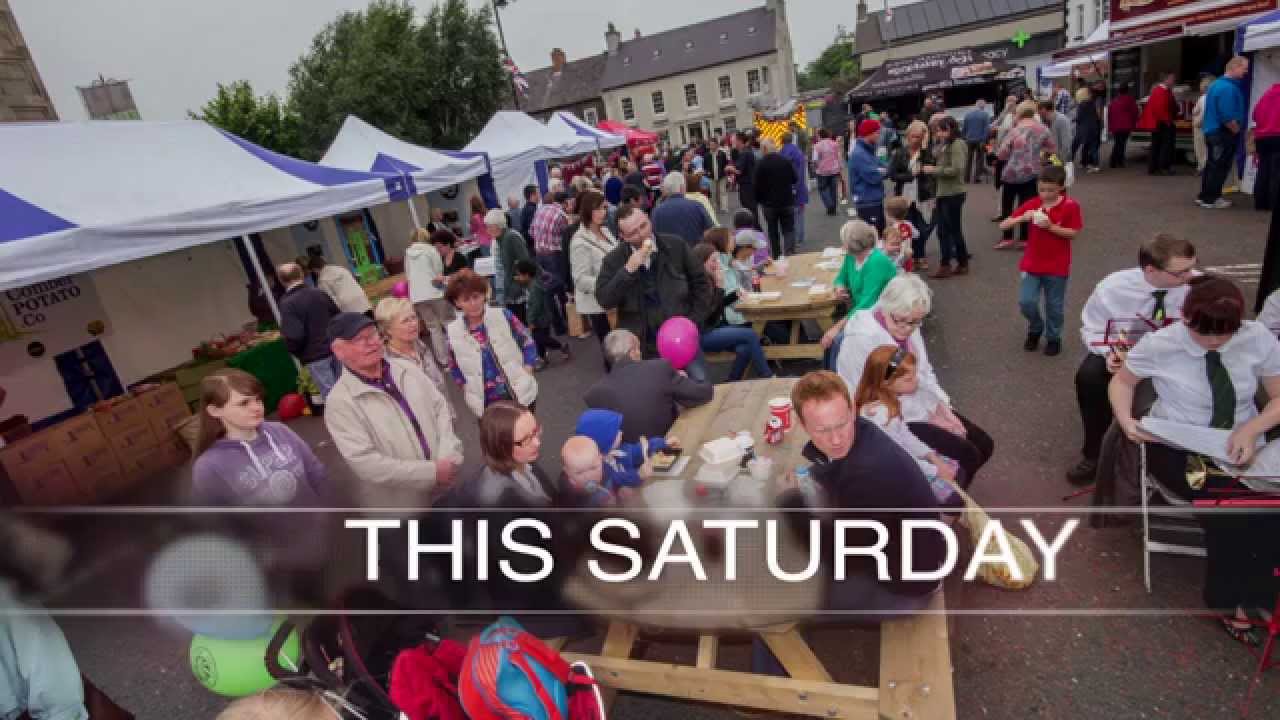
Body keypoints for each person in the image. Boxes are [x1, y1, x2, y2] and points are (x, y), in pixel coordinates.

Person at [1110, 275, 1280, 641]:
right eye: (1205, 334)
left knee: (1267, 508)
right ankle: (1231, 602)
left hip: (1240, 439)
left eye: (1226, 334)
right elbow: (1122, 382)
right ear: (1186, 319)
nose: (1216, 341)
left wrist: (1252, 429)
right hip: (1178, 444)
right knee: (1231, 510)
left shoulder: (1257, 337)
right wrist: (1126, 421)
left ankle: (1261, 594)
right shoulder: (1162, 343)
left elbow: (1278, 396)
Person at [774, 370, 945, 618]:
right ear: (803, 425)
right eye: (822, 430)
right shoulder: (864, 431)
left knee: (778, 595)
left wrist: (791, 502)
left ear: (853, 410)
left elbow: (838, 556)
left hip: (908, 588)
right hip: (913, 553)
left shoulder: (868, 474)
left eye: (841, 424)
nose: (836, 439)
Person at [837, 274, 994, 483]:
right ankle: (947, 497)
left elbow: (924, 371)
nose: (907, 329)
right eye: (901, 320)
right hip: (890, 417)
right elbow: (866, 397)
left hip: (920, 403)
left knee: (984, 445)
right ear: (885, 306)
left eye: (915, 322)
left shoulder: (908, 323)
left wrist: (942, 406)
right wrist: (931, 416)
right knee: (968, 455)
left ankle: (948, 491)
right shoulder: (860, 341)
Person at [1068, 234, 1196, 485]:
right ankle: (1094, 453)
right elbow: (1093, 328)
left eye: (1192, 267)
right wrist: (1110, 354)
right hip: (1127, 351)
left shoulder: (1197, 287)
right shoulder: (1112, 288)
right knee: (1089, 378)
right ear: (1150, 270)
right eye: (1180, 272)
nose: (1190, 276)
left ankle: (1175, 455)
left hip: (1178, 355)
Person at [324, 312, 463, 507]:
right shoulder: (340, 402)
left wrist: (448, 458)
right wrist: (432, 473)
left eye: (373, 334)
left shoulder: (407, 369)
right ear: (338, 351)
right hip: (404, 505)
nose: (371, 343)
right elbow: (366, 463)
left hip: (447, 483)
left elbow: (440, 409)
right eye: (359, 339)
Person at [594, 205, 715, 370]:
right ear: (622, 236)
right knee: (651, 386)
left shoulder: (675, 245)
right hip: (642, 346)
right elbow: (604, 299)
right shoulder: (614, 260)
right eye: (633, 233)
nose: (642, 234)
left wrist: (693, 320)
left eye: (643, 226)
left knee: (699, 382)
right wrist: (627, 270)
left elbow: (701, 282)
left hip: (682, 337)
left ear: (648, 218)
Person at [855, 345, 965, 502]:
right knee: (953, 500)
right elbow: (900, 457)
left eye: (914, 375)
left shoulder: (888, 403)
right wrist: (935, 470)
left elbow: (905, 436)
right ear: (886, 383)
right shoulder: (881, 416)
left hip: (903, 461)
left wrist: (932, 457)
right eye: (908, 379)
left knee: (955, 473)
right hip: (893, 472)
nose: (916, 380)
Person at [999, 165, 1082, 357]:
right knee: (1026, 302)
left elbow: (1073, 233)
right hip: (1032, 264)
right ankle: (1036, 327)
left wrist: (1050, 226)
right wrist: (1022, 218)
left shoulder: (1070, 206)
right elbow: (1004, 224)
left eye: (1050, 190)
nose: (1045, 194)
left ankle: (1053, 338)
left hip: (1057, 266)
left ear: (1061, 187)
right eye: (1042, 189)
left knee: (1054, 306)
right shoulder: (1033, 204)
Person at [584, 329, 714, 442]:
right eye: (639, 349)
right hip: (669, 446)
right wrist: (687, 380)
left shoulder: (594, 395)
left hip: (629, 459)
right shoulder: (659, 368)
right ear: (632, 351)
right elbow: (702, 394)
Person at [444, 270, 538, 416]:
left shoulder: (502, 315)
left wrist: (527, 369)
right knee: (498, 432)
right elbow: (453, 365)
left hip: (519, 392)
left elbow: (527, 341)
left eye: (476, 296)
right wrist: (467, 388)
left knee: (527, 429)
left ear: (484, 294)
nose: (473, 303)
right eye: (466, 299)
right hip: (487, 404)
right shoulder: (453, 331)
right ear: (457, 302)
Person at [693, 229, 774, 381]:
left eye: (717, 260)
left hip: (716, 327)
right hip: (703, 334)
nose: (717, 264)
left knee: (745, 348)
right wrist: (720, 288)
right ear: (702, 263)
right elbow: (708, 315)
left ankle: (732, 381)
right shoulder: (700, 285)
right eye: (713, 261)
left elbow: (717, 308)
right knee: (751, 335)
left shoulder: (712, 276)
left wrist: (732, 294)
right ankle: (768, 377)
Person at [820, 219, 898, 367]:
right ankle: (833, 375)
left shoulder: (877, 262)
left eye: (844, 242)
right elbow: (841, 277)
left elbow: (866, 305)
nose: (842, 245)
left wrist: (837, 328)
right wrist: (839, 287)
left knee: (837, 340)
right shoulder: (851, 256)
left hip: (881, 316)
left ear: (850, 246)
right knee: (834, 340)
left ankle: (838, 377)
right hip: (860, 313)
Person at [465, 401, 558, 508]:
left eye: (535, 431)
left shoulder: (522, 458)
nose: (537, 443)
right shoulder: (498, 501)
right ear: (500, 446)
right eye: (525, 439)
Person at [995, 101, 1055, 250]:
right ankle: (1024, 238)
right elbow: (1052, 149)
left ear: (1019, 113)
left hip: (1011, 173)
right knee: (1027, 206)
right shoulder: (1043, 129)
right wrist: (1041, 159)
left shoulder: (1014, 130)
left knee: (1008, 206)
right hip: (1032, 172)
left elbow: (1002, 154)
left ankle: (1007, 237)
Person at [569, 190, 619, 363]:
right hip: (597, 303)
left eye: (603, 208)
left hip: (615, 298)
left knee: (622, 345)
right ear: (587, 210)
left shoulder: (605, 230)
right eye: (596, 209)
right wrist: (608, 284)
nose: (602, 212)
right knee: (611, 349)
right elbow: (580, 279)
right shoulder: (579, 242)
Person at [277, 262, 341, 398]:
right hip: (336, 348)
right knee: (346, 388)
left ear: (281, 280)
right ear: (301, 274)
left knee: (333, 396)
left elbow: (294, 335)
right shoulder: (319, 292)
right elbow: (338, 317)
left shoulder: (287, 303)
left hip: (315, 356)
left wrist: (297, 352)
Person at [376, 296, 451, 407]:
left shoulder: (419, 345)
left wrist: (448, 410)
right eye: (405, 321)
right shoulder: (387, 363)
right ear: (388, 329)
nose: (413, 323)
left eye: (414, 317)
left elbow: (439, 385)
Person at [1199, 57, 1249, 210]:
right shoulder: (1228, 87)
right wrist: (1236, 130)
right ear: (1234, 67)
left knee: (1212, 165)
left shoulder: (1216, 84)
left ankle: (1205, 196)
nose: (1246, 71)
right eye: (1244, 68)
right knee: (1219, 167)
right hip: (1222, 133)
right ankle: (1212, 198)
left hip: (1213, 131)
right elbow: (1226, 115)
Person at [888, 120, 936, 270]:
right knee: (906, 228)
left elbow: (933, 170)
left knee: (923, 228)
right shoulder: (899, 153)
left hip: (923, 195)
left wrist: (925, 149)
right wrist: (910, 175)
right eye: (913, 136)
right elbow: (892, 175)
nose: (915, 140)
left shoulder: (927, 153)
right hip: (905, 197)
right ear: (907, 136)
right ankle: (910, 257)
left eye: (919, 137)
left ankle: (920, 256)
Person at [928, 116, 970, 279]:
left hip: (953, 193)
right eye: (938, 130)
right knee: (942, 231)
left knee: (953, 230)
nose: (939, 133)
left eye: (942, 130)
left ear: (951, 129)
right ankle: (946, 263)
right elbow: (935, 155)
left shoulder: (957, 144)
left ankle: (961, 262)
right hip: (943, 192)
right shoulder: (945, 144)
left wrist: (934, 170)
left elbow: (957, 169)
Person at [404, 228, 451, 368]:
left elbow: (408, 275)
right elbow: (439, 272)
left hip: (417, 296)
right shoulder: (431, 250)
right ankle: (459, 354)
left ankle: (444, 360)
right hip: (435, 292)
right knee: (448, 323)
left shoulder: (407, 254)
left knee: (433, 328)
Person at [513, 259, 570, 368]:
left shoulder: (534, 288)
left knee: (541, 338)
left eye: (519, 275)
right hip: (542, 317)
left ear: (527, 275)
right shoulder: (531, 283)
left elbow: (536, 306)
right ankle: (543, 359)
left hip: (540, 319)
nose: (518, 277)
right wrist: (519, 280)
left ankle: (561, 346)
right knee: (539, 340)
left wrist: (531, 321)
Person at [529, 191, 572, 336]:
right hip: (554, 255)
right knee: (558, 287)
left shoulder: (540, 210)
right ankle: (569, 321)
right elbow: (567, 237)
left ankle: (560, 326)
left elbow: (531, 232)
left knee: (550, 289)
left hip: (539, 254)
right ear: (564, 203)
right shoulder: (561, 215)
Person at [753, 139, 799, 258]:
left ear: (764, 149)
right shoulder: (785, 161)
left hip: (769, 204)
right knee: (789, 229)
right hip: (787, 201)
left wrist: (758, 200)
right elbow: (795, 178)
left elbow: (756, 185)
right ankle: (789, 253)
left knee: (772, 231)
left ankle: (777, 255)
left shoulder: (760, 164)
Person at [487, 207, 533, 322]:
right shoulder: (500, 239)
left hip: (518, 289)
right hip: (510, 287)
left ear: (498, 225)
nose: (487, 230)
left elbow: (524, 262)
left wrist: (518, 281)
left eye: (489, 226)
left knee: (521, 321)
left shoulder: (511, 236)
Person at [651, 171, 716, 249]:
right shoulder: (697, 206)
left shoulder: (656, 211)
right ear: (682, 187)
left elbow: (654, 237)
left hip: (669, 254)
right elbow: (711, 231)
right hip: (694, 252)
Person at [849, 119, 888, 231]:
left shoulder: (867, 150)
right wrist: (882, 171)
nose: (879, 135)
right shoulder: (860, 153)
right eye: (877, 132)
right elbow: (873, 176)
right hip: (867, 200)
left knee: (878, 233)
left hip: (872, 199)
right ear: (869, 133)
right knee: (873, 235)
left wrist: (882, 170)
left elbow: (883, 167)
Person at [1139, 72, 1179, 176]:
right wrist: (1168, 121)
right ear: (1166, 79)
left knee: (1157, 145)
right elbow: (1160, 108)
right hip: (1162, 122)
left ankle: (1154, 167)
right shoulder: (1160, 91)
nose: (1174, 81)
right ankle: (1163, 167)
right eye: (1172, 79)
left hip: (1160, 122)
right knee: (1165, 146)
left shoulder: (1163, 91)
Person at [780, 132, 810, 247]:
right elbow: (801, 172)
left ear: (782, 141)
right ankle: (800, 237)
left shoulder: (781, 153)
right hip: (800, 187)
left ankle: (793, 238)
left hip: (787, 188)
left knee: (790, 215)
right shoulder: (798, 152)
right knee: (800, 214)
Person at [1253, 83, 1280, 211]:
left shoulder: (1266, 95)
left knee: (1263, 170)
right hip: (1278, 137)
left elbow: (1254, 115)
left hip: (1262, 138)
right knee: (1276, 173)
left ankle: (1260, 202)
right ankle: (1273, 203)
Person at [729, 131, 759, 225]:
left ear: (740, 141)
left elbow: (738, 170)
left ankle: (756, 232)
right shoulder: (745, 152)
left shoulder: (744, 153)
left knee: (751, 213)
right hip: (749, 185)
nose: (732, 142)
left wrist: (729, 168)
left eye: (733, 140)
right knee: (751, 212)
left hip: (747, 186)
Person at [812, 128, 843, 215]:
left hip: (822, 171)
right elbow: (839, 156)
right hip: (834, 170)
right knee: (833, 190)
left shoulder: (817, 146)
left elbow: (815, 159)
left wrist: (815, 167)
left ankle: (829, 205)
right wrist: (840, 167)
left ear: (820, 136)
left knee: (823, 189)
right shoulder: (834, 144)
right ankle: (833, 209)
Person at [1107, 84, 1140, 169]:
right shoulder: (1130, 100)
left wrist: (1110, 126)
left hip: (1115, 125)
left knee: (1118, 143)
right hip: (1125, 125)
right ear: (1127, 91)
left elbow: (1109, 114)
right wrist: (1135, 122)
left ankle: (1115, 161)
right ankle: (1117, 161)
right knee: (1121, 144)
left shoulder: (1114, 100)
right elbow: (1135, 112)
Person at [962, 99, 992, 183]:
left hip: (969, 140)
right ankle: (976, 178)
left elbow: (964, 128)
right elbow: (986, 129)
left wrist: (964, 138)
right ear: (983, 106)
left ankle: (966, 178)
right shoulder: (985, 115)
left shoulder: (967, 115)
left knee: (968, 159)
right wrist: (984, 139)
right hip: (980, 140)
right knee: (979, 159)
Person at [1073, 87, 1102, 173]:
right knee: (1093, 148)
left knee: (1079, 146)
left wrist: (1074, 119)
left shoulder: (1081, 105)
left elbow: (1079, 118)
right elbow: (1097, 116)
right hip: (1094, 128)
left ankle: (1075, 162)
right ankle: (1095, 165)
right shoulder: (1092, 103)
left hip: (1085, 130)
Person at [1037, 100, 1072, 166]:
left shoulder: (1062, 120)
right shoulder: (1044, 120)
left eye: (1039, 111)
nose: (1038, 114)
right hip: (1051, 157)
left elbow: (1066, 144)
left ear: (1044, 110)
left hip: (1060, 158)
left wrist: (1060, 161)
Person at [706, 137, 732, 213]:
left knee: (722, 191)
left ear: (717, 145)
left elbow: (726, 163)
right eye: (710, 145)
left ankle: (724, 207)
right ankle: (715, 206)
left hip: (722, 175)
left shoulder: (722, 154)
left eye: (713, 145)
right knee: (713, 192)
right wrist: (707, 172)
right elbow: (705, 166)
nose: (712, 146)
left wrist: (727, 173)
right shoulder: (707, 155)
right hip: (711, 176)